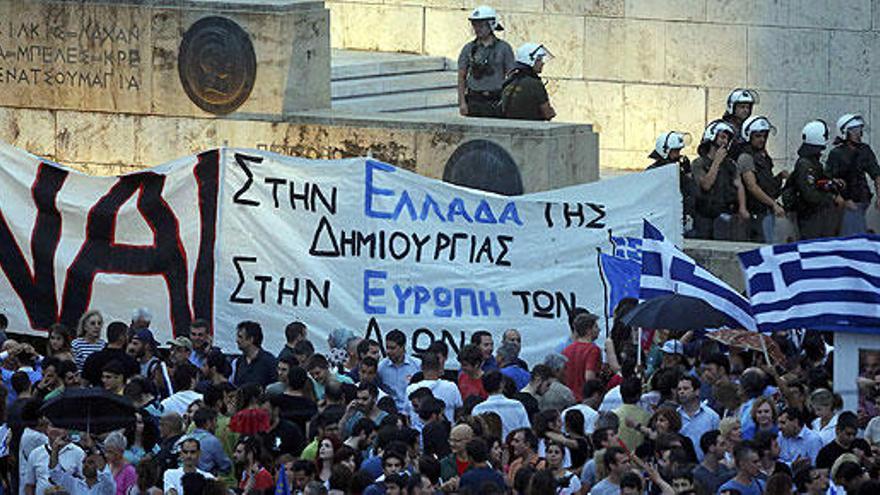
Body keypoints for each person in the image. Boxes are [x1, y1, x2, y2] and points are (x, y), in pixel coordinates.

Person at [692, 119, 749, 240]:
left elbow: (738, 185)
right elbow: (706, 185)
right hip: (704, 216)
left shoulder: (730, 165)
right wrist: (716, 161)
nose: (725, 141)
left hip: (724, 215)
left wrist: (742, 208)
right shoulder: (699, 163)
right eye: (722, 137)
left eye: (727, 139)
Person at [788, 120, 844, 239]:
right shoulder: (805, 164)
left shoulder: (813, 162)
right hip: (810, 216)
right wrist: (831, 198)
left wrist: (832, 183)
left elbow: (819, 181)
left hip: (817, 215)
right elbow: (810, 194)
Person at [457, 5, 515, 118]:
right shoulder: (468, 48)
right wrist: (462, 102)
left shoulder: (504, 48)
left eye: (481, 25)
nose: (477, 28)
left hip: (496, 99)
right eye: (474, 25)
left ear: (491, 24)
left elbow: (511, 76)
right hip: (474, 99)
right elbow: (461, 77)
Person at [827, 113, 880, 235]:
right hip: (846, 203)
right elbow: (829, 179)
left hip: (862, 200)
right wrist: (843, 200)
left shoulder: (864, 150)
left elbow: (876, 174)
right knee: (851, 237)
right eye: (854, 130)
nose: (858, 134)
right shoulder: (837, 153)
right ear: (845, 133)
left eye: (859, 130)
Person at [737, 115, 787, 243]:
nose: (762, 139)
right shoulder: (746, 157)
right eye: (758, 136)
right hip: (756, 213)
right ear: (749, 136)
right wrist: (773, 204)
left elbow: (766, 182)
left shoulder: (762, 156)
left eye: (764, 136)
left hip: (766, 212)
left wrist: (780, 177)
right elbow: (752, 187)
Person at [647, 131, 697, 235]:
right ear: (665, 151)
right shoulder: (652, 172)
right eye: (675, 151)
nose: (678, 155)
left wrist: (687, 173)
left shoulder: (678, 171)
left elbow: (691, 191)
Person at [500, 42, 555, 121]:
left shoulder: (511, 79)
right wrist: (551, 112)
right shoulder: (535, 84)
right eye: (539, 60)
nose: (542, 63)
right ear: (530, 61)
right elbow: (547, 113)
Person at [404, 352, 462, 422]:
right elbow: (459, 411)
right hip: (445, 430)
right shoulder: (451, 387)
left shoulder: (410, 389)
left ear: (421, 367)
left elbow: (406, 415)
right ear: (439, 367)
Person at [472, 370, 530, 439]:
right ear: (502, 385)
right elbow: (527, 431)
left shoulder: (478, 409)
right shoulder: (517, 406)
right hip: (513, 447)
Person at [82, 321, 139, 386]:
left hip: (96, 394)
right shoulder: (131, 362)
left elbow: (84, 384)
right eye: (127, 335)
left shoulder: (92, 358)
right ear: (121, 337)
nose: (128, 338)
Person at [678, 375, 720, 461]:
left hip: (707, 465)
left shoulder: (712, 416)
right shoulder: (675, 416)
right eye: (679, 389)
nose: (681, 392)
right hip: (682, 466)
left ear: (697, 391)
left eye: (685, 389)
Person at [562, 312, 602, 402]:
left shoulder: (566, 350)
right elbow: (589, 377)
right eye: (595, 327)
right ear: (588, 330)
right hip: (585, 399)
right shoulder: (593, 350)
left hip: (569, 398)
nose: (599, 329)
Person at [377, 330, 419, 412]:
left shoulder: (417, 365)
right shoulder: (381, 367)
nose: (388, 352)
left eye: (392, 348)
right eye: (387, 348)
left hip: (412, 411)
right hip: (390, 412)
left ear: (402, 347)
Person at [232, 321, 277, 387]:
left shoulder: (269, 362)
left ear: (251, 339)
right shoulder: (239, 361)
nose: (237, 340)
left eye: (240, 337)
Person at [190, 407, 232, 475]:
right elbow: (225, 465)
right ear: (208, 422)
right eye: (215, 421)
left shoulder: (185, 438)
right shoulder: (212, 441)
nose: (217, 425)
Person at [721, 88, 758, 152]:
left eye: (748, 107)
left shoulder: (748, 128)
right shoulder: (724, 129)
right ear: (732, 107)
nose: (746, 110)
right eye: (742, 107)